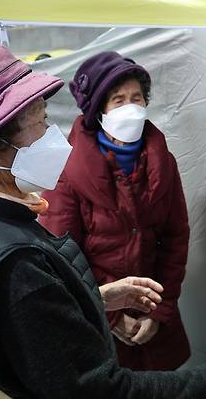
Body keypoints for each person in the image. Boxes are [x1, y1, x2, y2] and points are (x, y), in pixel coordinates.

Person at [0, 40, 206, 398]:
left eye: (137, 97)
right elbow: (97, 390)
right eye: (41, 122)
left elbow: (176, 236)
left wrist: (103, 298)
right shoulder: (19, 264)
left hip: (144, 312)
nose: (53, 135)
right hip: (109, 342)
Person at [40, 52, 191, 371]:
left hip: (153, 320)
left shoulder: (163, 163)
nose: (130, 108)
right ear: (99, 112)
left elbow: (176, 240)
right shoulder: (67, 172)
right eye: (118, 100)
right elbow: (60, 258)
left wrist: (159, 312)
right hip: (94, 321)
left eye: (137, 98)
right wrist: (108, 314)